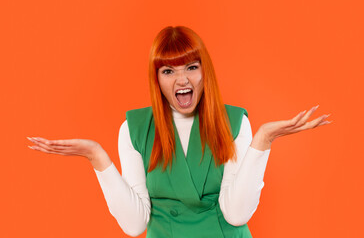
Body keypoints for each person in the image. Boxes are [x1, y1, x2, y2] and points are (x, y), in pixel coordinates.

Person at [27, 26, 332, 238]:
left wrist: (262, 142)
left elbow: (236, 214)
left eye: (191, 67)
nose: (182, 79)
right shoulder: (133, 129)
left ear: (204, 72)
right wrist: (97, 158)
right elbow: (135, 225)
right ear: (156, 78)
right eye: (168, 70)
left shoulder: (235, 121)